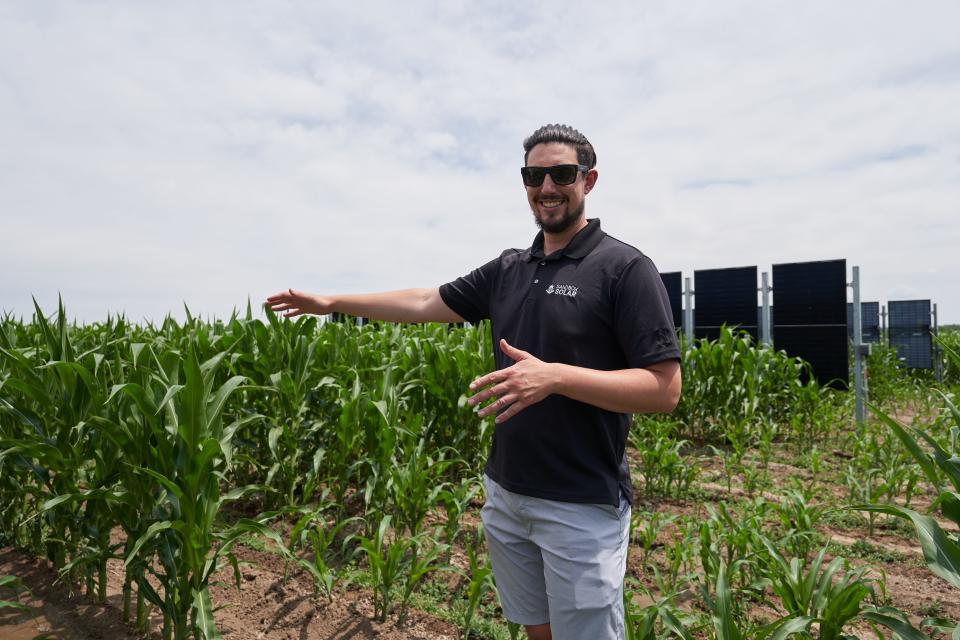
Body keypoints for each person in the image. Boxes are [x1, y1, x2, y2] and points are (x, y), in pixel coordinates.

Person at [266, 123, 681, 640]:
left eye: (561, 173)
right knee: (537, 630)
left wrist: (553, 377)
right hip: (507, 494)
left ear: (588, 180)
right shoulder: (510, 268)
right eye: (534, 175)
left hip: (580, 505)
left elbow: (664, 389)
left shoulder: (623, 268)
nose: (547, 186)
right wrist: (331, 303)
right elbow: (424, 301)